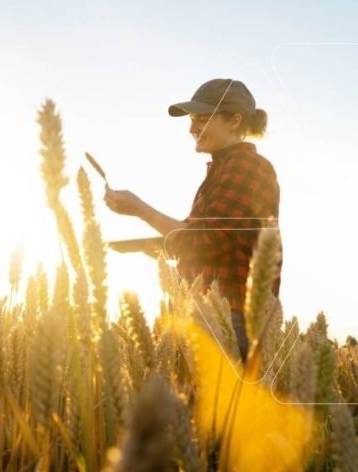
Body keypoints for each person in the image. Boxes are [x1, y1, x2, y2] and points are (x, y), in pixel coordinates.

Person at [103, 78, 282, 362]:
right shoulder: (223, 169)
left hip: (233, 318)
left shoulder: (245, 167)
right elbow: (200, 239)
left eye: (201, 118)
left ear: (234, 121)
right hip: (213, 312)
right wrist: (163, 248)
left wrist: (139, 208)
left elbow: (201, 241)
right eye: (191, 120)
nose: (192, 128)